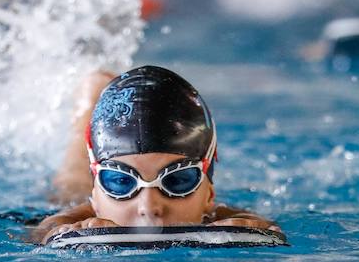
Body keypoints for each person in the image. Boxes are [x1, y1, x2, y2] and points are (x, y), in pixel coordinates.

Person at [32, 65, 281, 244]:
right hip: (79, 199)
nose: (149, 207)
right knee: (70, 189)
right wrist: (55, 230)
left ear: (209, 194)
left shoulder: (215, 215)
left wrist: (253, 222)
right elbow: (46, 228)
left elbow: (258, 223)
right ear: (96, 196)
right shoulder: (83, 211)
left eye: (178, 180)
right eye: (120, 181)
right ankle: (85, 116)